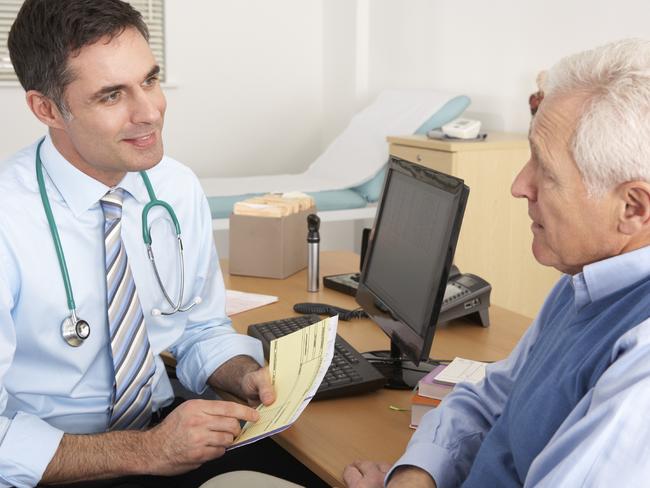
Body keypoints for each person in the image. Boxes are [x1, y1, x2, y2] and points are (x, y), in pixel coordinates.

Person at [0, 1, 293, 486]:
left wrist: (239, 371)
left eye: (150, 80)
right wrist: (147, 451)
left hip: (168, 433)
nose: (150, 112)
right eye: (112, 95)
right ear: (46, 108)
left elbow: (199, 328)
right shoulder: (8, 218)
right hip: (52, 468)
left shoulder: (174, 186)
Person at [343, 38, 650, 487]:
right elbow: (493, 399)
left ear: (634, 208)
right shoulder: (583, 282)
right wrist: (416, 473)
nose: (519, 185)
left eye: (545, 170)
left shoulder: (641, 359)